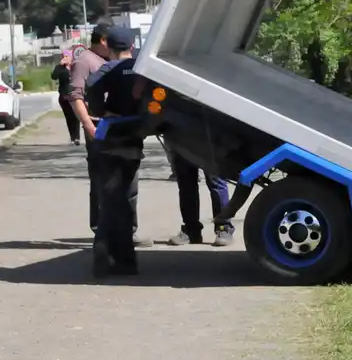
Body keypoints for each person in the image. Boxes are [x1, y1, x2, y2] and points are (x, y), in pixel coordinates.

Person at [66, 23, 148, 245]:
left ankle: (125, 233)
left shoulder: (108, 66)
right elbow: (76, 95)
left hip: (118, 129)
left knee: (126, 184)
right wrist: (89, 125)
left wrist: (104, 111)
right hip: (105, 131)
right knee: (105, 185)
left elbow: (93, 93)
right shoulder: (85, 61)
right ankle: (104, 232)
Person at [166, 148, 236, 247]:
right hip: (181, 141)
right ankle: (191, 230)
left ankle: (223, 228)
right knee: (186, 185)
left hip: (208, 141)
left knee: (216, 183)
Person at [50, 51, 80, 144]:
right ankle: (72, 137)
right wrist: (60, 65)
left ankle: (77, 138)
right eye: (63, 56)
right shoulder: (60, 68)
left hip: (75, 95)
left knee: (76, 116)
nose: (65, 57)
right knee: (69, 117)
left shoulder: (75, 66)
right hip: (64, 96)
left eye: (67, 56)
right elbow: (54, 77)